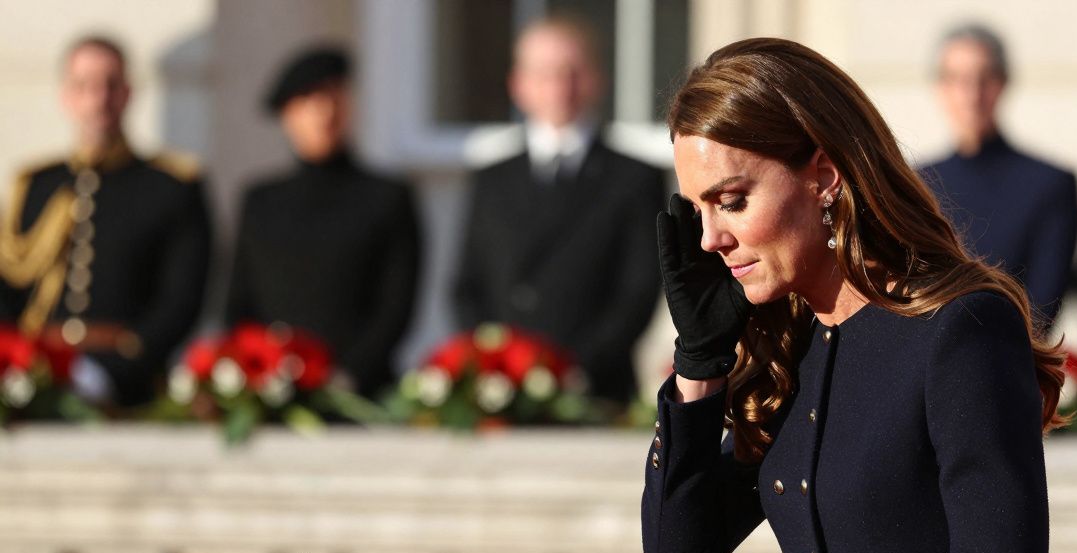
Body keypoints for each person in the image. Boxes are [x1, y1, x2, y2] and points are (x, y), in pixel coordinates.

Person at [643, 38, 1060, 553]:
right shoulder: (791, 346)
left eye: (733, 201)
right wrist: (699, 361)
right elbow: (677, 550)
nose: (711, 238)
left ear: (823, 177)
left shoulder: (958, 328)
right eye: (698, 209)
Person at [452, 16, 664, 406]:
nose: (559, 87)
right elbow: (468, 286)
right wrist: (497, 362)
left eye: (572, 72)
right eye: (544, 73)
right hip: (503, 390)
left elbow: (638, 290)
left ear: (597, 79)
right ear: (518, 84)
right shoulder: (492, 179)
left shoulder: (633, 177)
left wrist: (574, 368)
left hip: (596, 387)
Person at [0, 35, 212, 408]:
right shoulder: (35, 186)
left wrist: (113, 370)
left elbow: (181, 301)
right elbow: (8, 285)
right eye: (84, 85)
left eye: (110, 85)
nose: (98, 99)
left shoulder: (171, 187)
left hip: (130, 387)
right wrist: (18, 365)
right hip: (34, 380)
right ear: (66, 96)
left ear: (128, 93)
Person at [226, 46, 422, 396]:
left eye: (334, 96)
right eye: (309, 100)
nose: (324, 112)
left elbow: (396, 307)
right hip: (274, 393)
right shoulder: (261, 201)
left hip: (361, 392)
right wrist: (264, 372)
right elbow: (239, 303)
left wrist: (346, 376)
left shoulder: (386, 197)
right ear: (287, 114)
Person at [918, 23, 1077, 329]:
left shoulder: (1049, 185)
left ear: (1003, 83)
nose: (972, 95)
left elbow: (1042, 308)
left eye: (985, 78)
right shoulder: (916, 184)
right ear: (940, 87)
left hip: (1011, 351)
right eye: (958, 79)